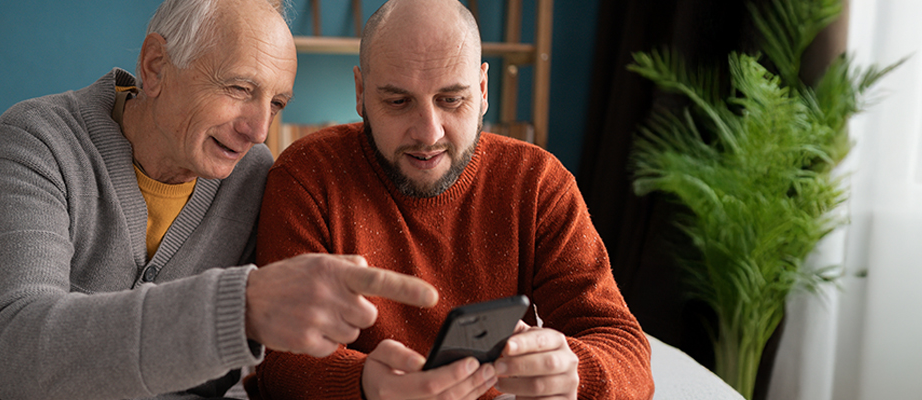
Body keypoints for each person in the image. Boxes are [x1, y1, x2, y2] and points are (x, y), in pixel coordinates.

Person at [0, 1, 438, 399]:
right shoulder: (38, 137)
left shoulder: (253, 175)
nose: (259, 130)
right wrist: (241, 309)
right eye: (238, 87)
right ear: (156, 66)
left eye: (276, 103)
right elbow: (17, 348)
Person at [244, 0, 655, 399]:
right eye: (398, 101)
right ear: (361, 92)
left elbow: (624, 349)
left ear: (482, 89)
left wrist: (574, 372)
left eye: (451, 99)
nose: (429, 133)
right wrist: (366, 385)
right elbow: (277, 362)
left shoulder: (537, 182)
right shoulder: (307, 175)